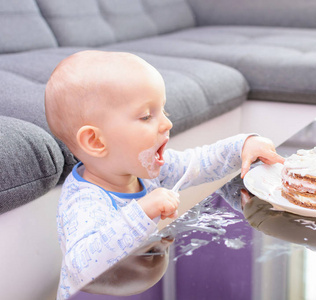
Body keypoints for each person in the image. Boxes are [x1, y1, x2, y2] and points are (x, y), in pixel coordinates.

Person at [45, 50, 284, 299]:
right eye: (146, 116)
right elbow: (82, 265)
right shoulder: (85, 200)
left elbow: (196, 163)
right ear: (95, 140)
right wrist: (143, 211)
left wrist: (241, 146)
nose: (167, 124)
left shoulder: (144, 171)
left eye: (163, 111)